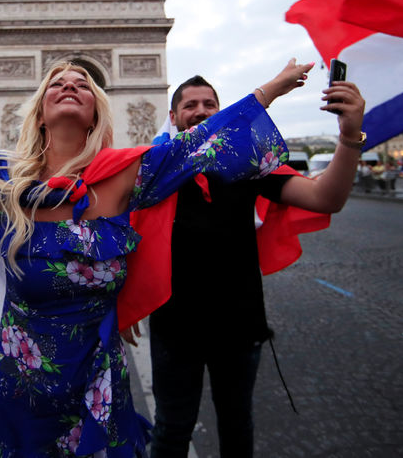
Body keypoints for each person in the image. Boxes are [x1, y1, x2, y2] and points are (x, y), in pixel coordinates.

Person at [0, 59, 311, 458]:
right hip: (18, 383)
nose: (70, 85)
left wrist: (272, 88)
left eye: (84, 83)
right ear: (38, 108)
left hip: (97, 380)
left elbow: (205, 141)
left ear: (97, 110)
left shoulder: (129, 174)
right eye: (56, 82)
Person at [123, 72, 366, 458]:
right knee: (172, 428)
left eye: (209, 105)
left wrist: (350, 137)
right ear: (172, 116)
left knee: (237, 425)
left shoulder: (249, 162)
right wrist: (127, 296)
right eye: (190, 105)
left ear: (220, 111)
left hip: (240, 322)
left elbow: (326, 198)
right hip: (175, 325)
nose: (201, 112)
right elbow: (127, 233)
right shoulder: (157, 167)